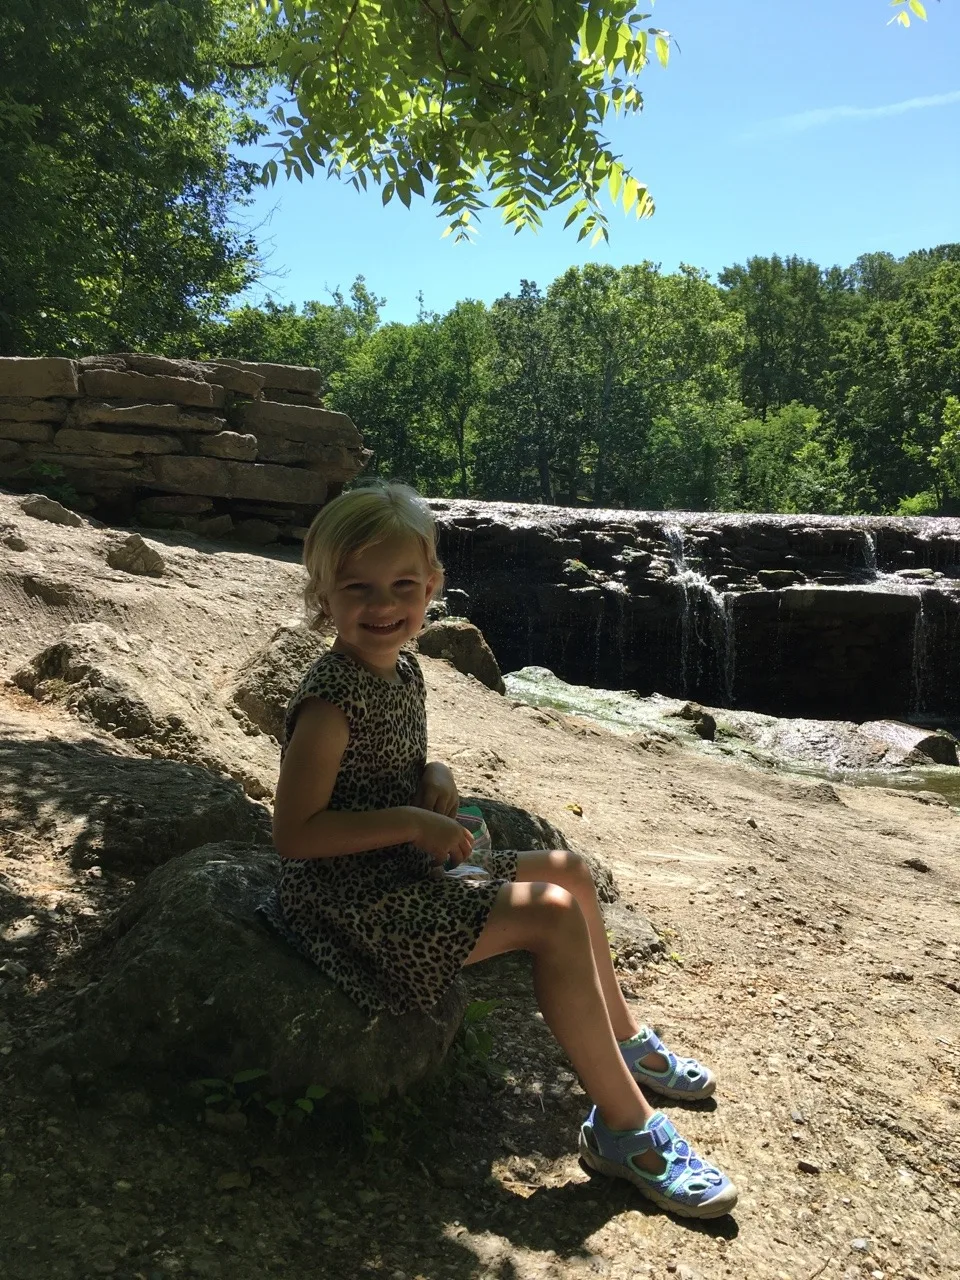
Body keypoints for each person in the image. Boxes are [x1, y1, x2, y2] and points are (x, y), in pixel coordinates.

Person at [263, 482, 737, 1220]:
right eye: (357, 588)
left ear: (432, 588)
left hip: (398, 868)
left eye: (402, 586)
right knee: (550, 916)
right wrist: (414, 824)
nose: (382, 605)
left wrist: (435, 777)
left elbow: (386, 771)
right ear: (322, 596)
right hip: (349, 904)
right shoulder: (329, 701)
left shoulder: (407, 669)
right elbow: (295, 835)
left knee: (570, 873)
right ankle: (623, 1130)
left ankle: (628, 1040)